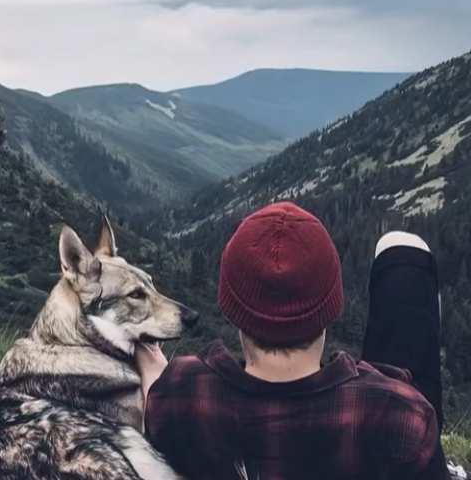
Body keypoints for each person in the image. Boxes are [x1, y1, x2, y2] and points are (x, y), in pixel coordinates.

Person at [135, 202, 450, 479]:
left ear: (234, 311)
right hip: (375, 425)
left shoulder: (183, 392)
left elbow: (155, 401)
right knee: (402, 249)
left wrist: (150, 361)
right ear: (329, 308)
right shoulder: (401, 415)